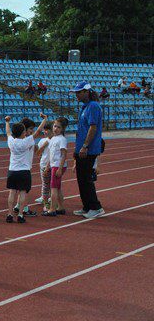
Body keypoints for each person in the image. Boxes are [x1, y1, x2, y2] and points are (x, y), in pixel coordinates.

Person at [4, 114, 48, 223]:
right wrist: (45, 120)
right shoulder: (26, 141)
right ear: (23, 132)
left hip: (12, 170)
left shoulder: (11, 141)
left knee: (12, 193)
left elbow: (8, 132)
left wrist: (7, 122)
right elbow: (38, 131)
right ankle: (20, 215)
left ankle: (9, 214)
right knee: (23, 193)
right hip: (24, 171)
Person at [70, 81, 105, 219]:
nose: (76, 95)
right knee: (81, 179)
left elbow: (93, 128)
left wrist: (85, 146)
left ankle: (96, 207)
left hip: (89, 150)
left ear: (86, 92)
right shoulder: (85, 107)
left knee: (86, 179)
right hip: (82, 149)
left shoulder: (93, 106)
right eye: (76, 92)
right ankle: (87, 206)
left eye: (79, 92)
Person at [43, 117, 69, 217]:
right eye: (54, 126)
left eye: (58, 127)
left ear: (63, 129)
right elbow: (51, 154)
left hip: (58, 166)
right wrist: (47, 166)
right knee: (57, 188)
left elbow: (63, 155)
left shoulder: (62, 140)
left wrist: (60, 168)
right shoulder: (53, 138)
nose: (55, 129)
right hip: (54, 165)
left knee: (53, 188)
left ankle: (52, 209)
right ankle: (61, 207)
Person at [35, 122, 53, 212]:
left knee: (52, 184)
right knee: (45, 183)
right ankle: (45, 199)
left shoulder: (56, 140)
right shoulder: (42, 140)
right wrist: (43, 146)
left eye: (47, 130)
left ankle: (51, 199)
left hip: (53, 166)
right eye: (44, 130)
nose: (45, 132)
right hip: (43, 164)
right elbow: (38, 153)